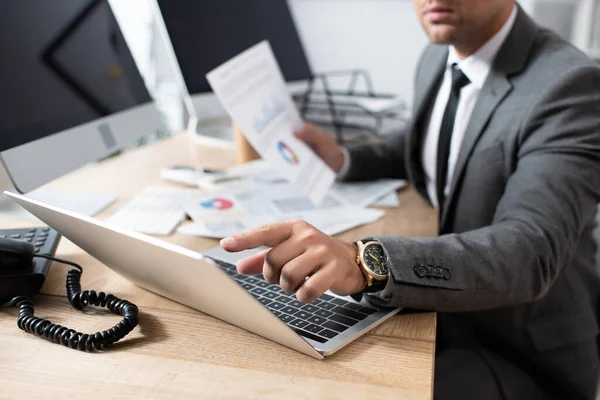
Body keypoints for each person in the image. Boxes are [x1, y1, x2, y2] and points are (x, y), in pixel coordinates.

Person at [220, 1, 600, 398]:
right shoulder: (438, 54)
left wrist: (365, 261)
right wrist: (345, 159)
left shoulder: (572, 85)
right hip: (433, 310)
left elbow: (529, 249)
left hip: (511, 346)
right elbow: (431, 142)